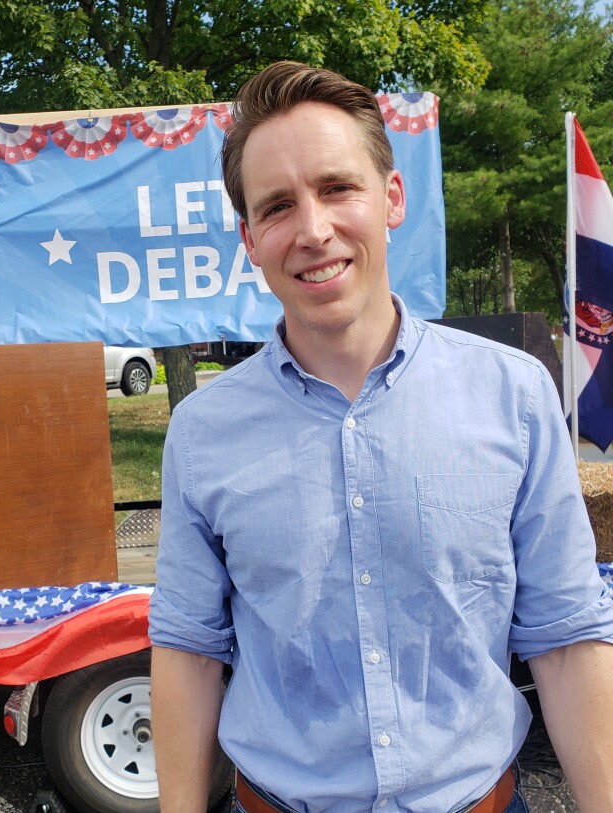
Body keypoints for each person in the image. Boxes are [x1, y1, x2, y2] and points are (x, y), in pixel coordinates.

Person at [148, 61, 613, 813]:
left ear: (391, 197)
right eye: (277, 206)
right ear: (249, 238)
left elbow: (565, 637)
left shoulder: (515, 397)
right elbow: (189, 650)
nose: (313, 229)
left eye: (337, 188)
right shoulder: (202, 433)